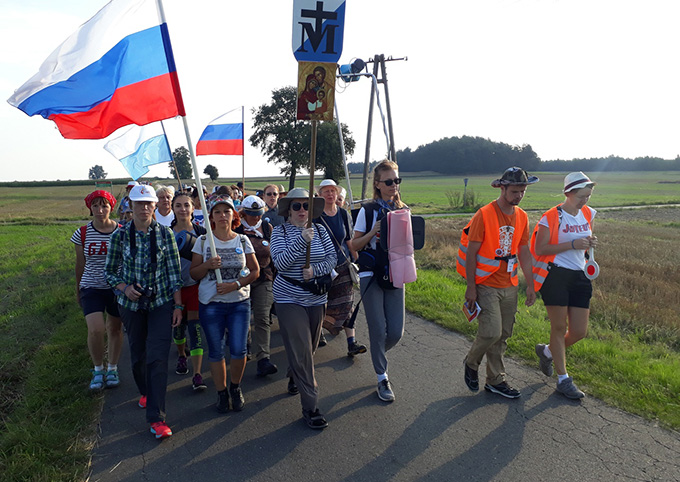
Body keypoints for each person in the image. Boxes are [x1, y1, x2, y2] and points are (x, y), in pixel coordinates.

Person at [105, 184, 183, 440]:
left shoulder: (165, 235)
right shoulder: (119, 235)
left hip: (160, 303)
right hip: (130, 306)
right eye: (139, 203)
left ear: (155, 205)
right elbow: (110, 272)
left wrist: (178, 305)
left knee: (158, 358)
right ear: (131, 205)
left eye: (149, 203)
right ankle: (145, 391)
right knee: (138, 355)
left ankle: (157, 419)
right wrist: (124, 288)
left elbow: (173, 273)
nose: (145, 208)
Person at [457, 167, 538, 399]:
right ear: (502, 188)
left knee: (503, 335)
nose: (519, 196)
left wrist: (531, 285)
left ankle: (495, 380)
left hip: (509, 284)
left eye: (522, 191)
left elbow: (523, 251)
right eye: (514, 191)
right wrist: (470, 287)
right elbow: (471, 253)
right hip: (485, 283)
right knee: (491, 331)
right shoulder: (484, 214)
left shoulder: (522, 216)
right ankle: (471, 362)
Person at [270, 188, 336, 429]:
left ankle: (294, 374)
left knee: (309, 347)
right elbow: (280, 263)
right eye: (296, 206)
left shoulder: (320, 230)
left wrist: (315, 271)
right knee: (302, 349)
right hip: (289, 299)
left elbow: (332, 258)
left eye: (306, 206)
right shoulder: (280, 232)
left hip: (316, 298)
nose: (302, 211)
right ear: (288, 210)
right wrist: (301, 241)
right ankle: (311, 406)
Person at [190, 195, 259, 413]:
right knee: (216, 351)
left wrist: (235, 284)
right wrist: (208, 265)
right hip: (211, 304)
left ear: (234, 215)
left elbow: (255, 271)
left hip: (238, 302)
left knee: (239, 350)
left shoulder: (242, 240)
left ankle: (235, 387)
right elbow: (193, 274)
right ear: (211, 216)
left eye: (227, 211)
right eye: (218, 212)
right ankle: (221, 393)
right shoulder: (203, 241)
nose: (222, 216)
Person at [532, 172, 598, 400]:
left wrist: (589, 244)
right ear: (568, 193)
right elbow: (540, 249)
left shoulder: (588, 213)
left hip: (580, 276)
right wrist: (571, 243)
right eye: (581, 196)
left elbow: (585, 242)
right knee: (559, 328)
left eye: (588, 196)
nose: (585, 201)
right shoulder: (551, 217)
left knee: (579, 331)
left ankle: (547, 351)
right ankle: (563, 379)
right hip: (555, 276)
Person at [350, 160, 409, 403]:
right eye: (389, 181)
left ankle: (377, 352)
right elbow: (353, 246)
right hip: (371, 274)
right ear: (377, 184)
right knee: (377, 328)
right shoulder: (368, 210)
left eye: (397, 180)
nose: (394, 185)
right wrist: (373, 232)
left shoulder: (404, 209)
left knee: (395, 332)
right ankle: (382, 377)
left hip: (396, 273)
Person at [72, 190, 123, 392]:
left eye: (104, 206)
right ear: (89, 208)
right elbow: (79, 264)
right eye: (95, 206)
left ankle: (112, 367)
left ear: (111, 207)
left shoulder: (121, 231)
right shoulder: (82, 233)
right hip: (91, 286)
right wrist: (77, 290)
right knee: (96, 329)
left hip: (115, 287)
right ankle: (98, 369)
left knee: (114, 329)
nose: (100, 210)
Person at [315, 179, 366, 357]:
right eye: (326, 191)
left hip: (342, 265)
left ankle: (351, 342)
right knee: (322, 302)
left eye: (332, 191)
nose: (330, 194)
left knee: (347, 304)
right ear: (320, 195)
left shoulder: (343, 215)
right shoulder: (314, 216)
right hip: (322, 267)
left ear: (337, 194)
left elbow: (349, 240)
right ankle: (319, 330)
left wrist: (359, 260)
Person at [235, 195, 278, 377]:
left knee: (261, 316)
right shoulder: (235, 228)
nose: (255, 218)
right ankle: (244, 345)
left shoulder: (267, 228)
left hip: (264, 278)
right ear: (244, 213)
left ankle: (263, 358)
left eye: (258, 214)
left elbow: (274, 253)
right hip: (240, 280)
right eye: (252, 214)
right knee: (242, 318)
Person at [170, 191, 208, 391]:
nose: (183, 209)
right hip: (174, 288)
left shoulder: (202, 232)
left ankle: (198, 374)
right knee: (178, 327)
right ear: (172, 208)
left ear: (193, 208)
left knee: (194, 328)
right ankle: (182, 356)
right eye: (178, 205)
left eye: (187, 205)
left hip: (195, 287)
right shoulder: (165, 233)